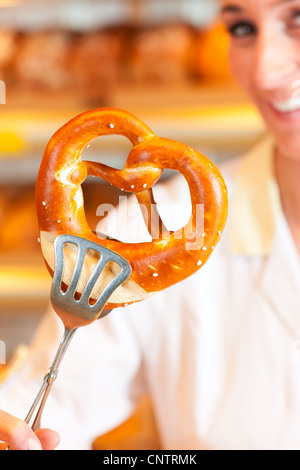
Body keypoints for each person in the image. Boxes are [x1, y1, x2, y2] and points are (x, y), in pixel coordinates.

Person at [1, 0, 300, 450]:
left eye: (297, 19)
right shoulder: (153, 226)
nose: (265, 72)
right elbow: (51, 407)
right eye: (241, 28)